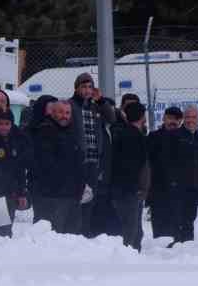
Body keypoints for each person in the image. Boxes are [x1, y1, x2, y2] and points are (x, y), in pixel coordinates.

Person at [148, 106, 198, 243]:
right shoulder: (173, 136)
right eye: (187, 117)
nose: (190, 120)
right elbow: (166, 162)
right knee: (175, 222)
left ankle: (187, 249)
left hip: (194, 189)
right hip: (176, 188)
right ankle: (173, 252)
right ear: (184, 119)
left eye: (193, 117)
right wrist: (172, 181)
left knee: (189, 221)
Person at [31, 99, 87, 234]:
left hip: (72, 195)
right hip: (52, 197)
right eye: (61, 112)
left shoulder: (72, 133)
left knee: (72, 237)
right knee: (53, 238)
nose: (65, 116)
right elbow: (46, 165)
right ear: (52, 112)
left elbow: (78, 162)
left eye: (68, 113)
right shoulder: (45, 132)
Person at [69, 73, 112, 234]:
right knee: (77, 198)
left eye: (90, 87)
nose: (87, 90)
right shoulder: (71, 105)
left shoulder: (95, 107)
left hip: (94, 161)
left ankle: (86, 231)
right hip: (78, 162)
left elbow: (111, 117)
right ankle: (75, 231)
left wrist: (101, 100)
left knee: (90, 198)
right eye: (84, 87)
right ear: (77, 88)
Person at [106, 101, 151, 250]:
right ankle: (128, 258)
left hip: (126, 189)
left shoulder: (125, 134)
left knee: (133, 229)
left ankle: (130, 255)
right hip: (129, 190)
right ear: (142, 117)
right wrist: (138, 187)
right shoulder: (133, 136)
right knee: (131, 230)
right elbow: (134, 165)